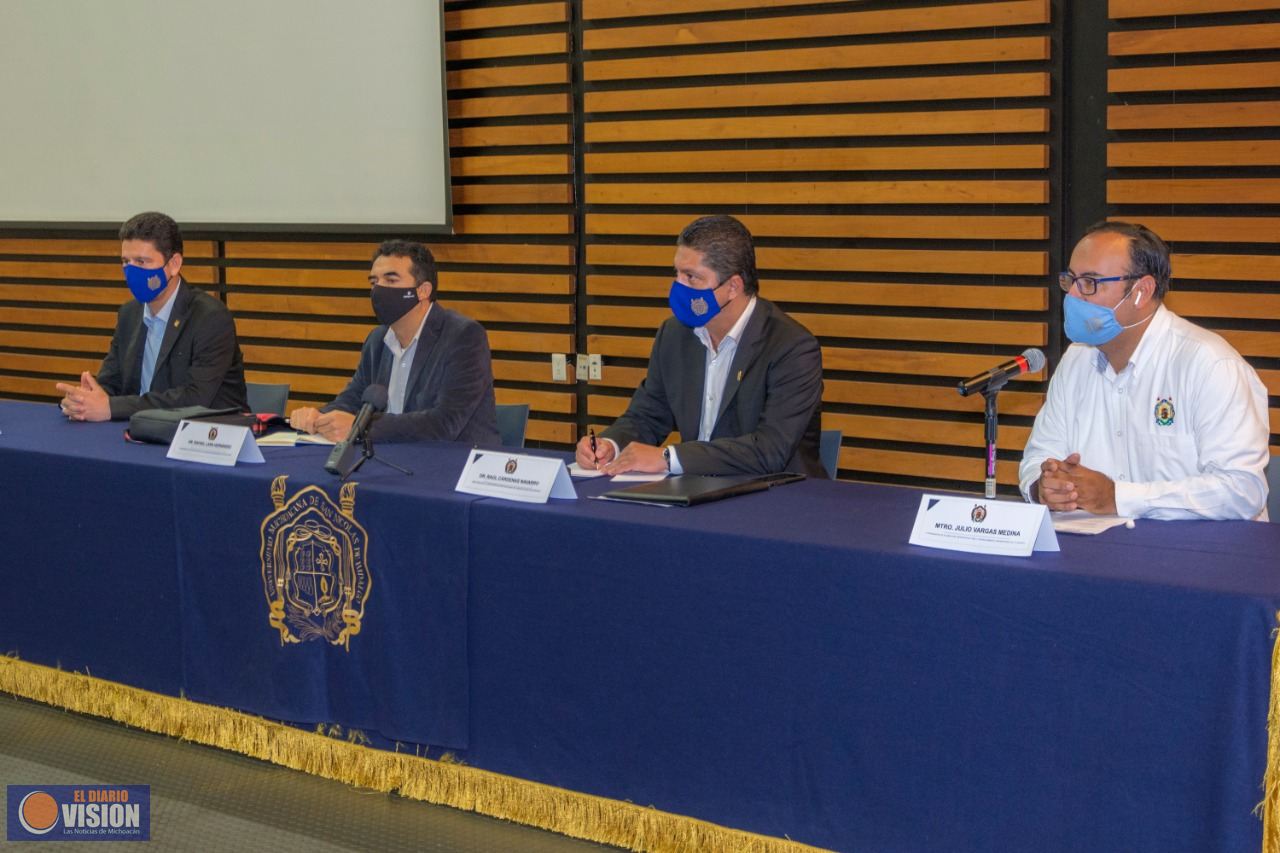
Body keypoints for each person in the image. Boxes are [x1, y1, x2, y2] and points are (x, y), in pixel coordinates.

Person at [1020, 221, 1269, 520]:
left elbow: (1242, 491)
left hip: (1198, 557)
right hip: (1092, 554)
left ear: (1141, 291)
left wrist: (1118, 497)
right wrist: (1044, 487)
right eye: (1070, 280)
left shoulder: (1211, 365)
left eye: (1090, 282)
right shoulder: (1076, 361)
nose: (1072, 296)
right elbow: (1038, 457)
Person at [576, 214, 825, 477]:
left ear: (733, 286)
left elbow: (769, 450)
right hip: (694, 495)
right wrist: (610, 445)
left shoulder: (792, 347)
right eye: (677, 274)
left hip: (776, 500)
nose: (678, 287)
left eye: (691, 277)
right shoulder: (674, 335)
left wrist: (668, 458)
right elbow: (647, 416)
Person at [290, 240, 499, 445]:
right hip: (394, 462)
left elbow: (444, 423)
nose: (379, 289)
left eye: (391, 281)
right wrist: (318, 416)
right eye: (374, 282)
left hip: (454, 465)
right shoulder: (377, 340)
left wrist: (361, 427)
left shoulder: (463, 336)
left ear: (423, 290)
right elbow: (353, 400)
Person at [56, 211, 247, 421]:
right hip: (139, 435)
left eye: (142, 261)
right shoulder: (129, 314)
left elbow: (195, 399)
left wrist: (112, 407)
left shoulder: (211, 318)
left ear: (174, 264)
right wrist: (85, 401)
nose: (131, 271)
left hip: (204, 439)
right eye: (126, 261)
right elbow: (111, 382)